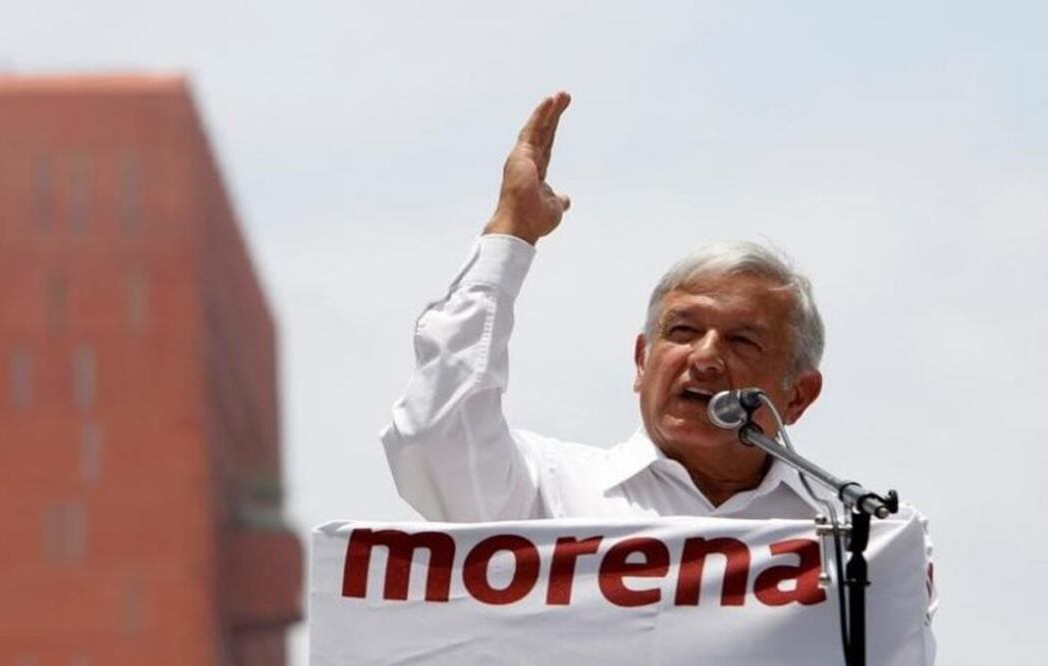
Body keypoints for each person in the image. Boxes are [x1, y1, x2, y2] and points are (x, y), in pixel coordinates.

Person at [380, 92, 888, 524]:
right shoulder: (551, 497)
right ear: (642, 362)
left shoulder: (850, 532)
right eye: (684, 331)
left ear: (798, 395)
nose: (705, 357)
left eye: (742, 341)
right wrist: (511, 233)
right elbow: (434, 439)